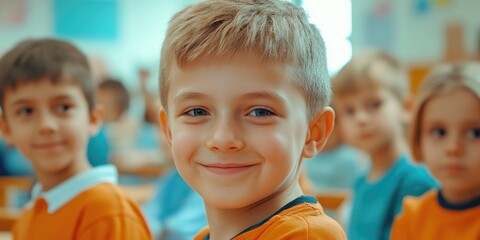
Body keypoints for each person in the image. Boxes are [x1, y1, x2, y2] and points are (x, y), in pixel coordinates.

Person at [157, 0, 346, 239]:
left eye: (260, 112)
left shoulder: (305, 236)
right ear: (169, 131)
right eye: (197, 112)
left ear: (314, 131)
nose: (223, 139)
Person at [0, 38, 151, 239]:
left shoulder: (109, 212)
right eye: (26, 111)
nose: (46, 125)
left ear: (93, 118)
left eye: (63, 107)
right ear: (6, 129)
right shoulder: (30, 215)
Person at [331, 49, 437, 240]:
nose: (361, 118)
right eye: (349, 110)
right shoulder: (361, 182)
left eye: (374, 104)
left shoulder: (417, 182)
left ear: (406, 107)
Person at [390, 63, 480, 240]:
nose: (453, 148)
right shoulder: (411, 217)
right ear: (418, 138)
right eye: (439, 132)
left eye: (474, 133)